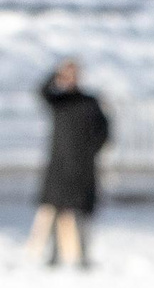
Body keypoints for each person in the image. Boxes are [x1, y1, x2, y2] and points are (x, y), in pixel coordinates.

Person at [32, 59, 109, 268]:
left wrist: (91, 151)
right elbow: (40, 91)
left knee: (83, 214)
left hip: (83, 168)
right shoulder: (59, 101)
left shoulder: (89, 102)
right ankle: (54, 255)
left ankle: (83, 256)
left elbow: (104, 129)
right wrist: (56, 74)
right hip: (59, 166)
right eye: (67, 75)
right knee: (56, 211)